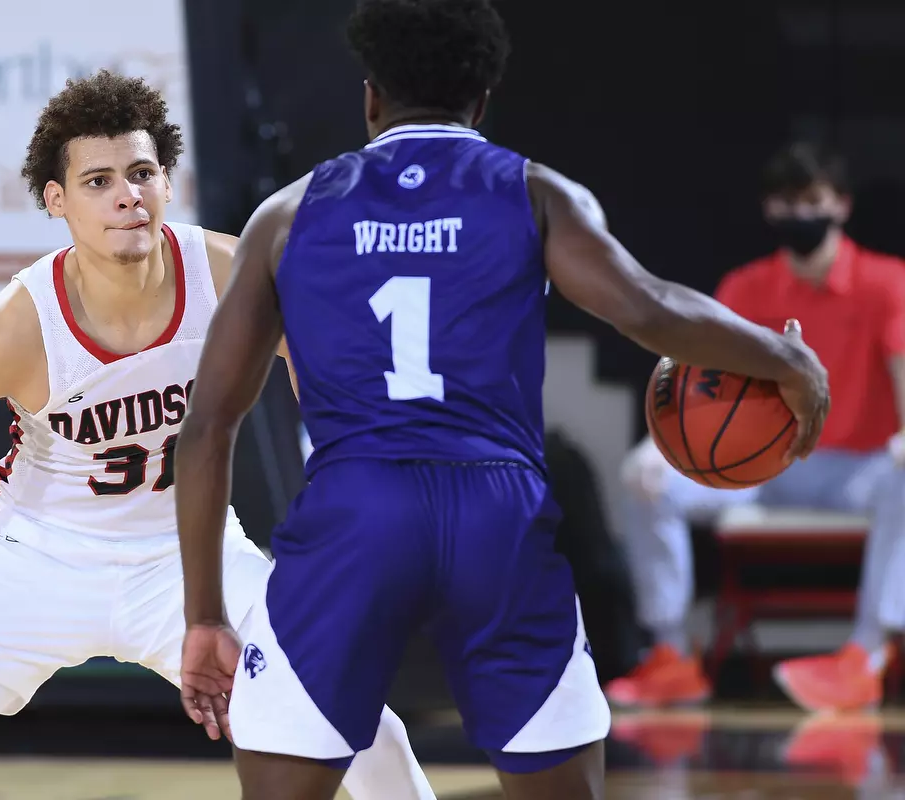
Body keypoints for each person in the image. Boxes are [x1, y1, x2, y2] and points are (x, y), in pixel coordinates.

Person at [172, 1, 831, 798]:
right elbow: (649, 309)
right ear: (482, 101)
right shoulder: (533, 192)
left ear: (371, 95)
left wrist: (205, 613)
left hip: (354, 509)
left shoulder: (287, 216)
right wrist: (785, 358)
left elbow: (207, 428)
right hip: (499, 513)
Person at [0, 71, 434, 800]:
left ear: (168, 182)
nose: (126, 195)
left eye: (141, 173)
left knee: (366, 726)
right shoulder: (12, 326)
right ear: (57, 201)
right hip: (37, 561)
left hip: (188, 558)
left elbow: (325, 371)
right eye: (98, 181)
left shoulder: (229, 274)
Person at [607, 142, 905, 713]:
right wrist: (652, 447)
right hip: (766, 463)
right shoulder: (746, 288)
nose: (800, 216)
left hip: (859, 466)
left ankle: (865, 659)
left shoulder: (885, 281)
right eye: (787, 204)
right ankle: (669, 653)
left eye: (812, 201)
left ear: (840, 205)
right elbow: (694, 378)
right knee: (643, 481)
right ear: (770, 211)